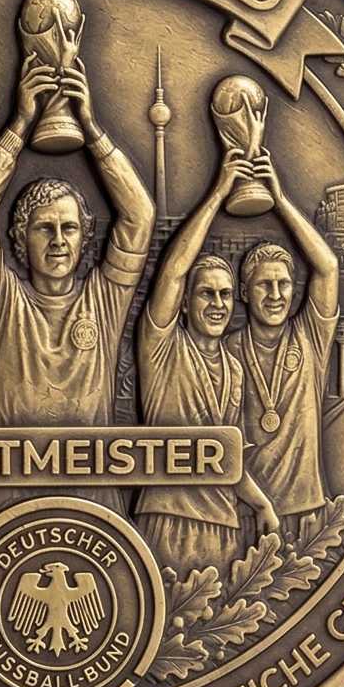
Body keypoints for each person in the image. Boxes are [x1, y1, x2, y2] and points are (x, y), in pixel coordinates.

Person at [0, 43, 154, 516]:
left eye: (69, 228)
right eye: (44, 228)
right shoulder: (1, 300)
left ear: (86, 239)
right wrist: (21, 123)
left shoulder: (104, 300)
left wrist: (91, 128)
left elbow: (139, 216)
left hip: (95, 494)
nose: (59, 240)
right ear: (20, 239)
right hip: (11, 494)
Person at [134, 144, 279, 576]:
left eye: (225, 295)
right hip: (167, 517)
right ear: (183, 303)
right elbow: (173, 272)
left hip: (224, 524)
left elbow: (226, 458)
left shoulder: (234, 369)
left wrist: (261, 503)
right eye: (206, 294)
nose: (218, 304)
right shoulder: (162, 347)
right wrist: (217, 194)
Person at [236, 150, 340, 541]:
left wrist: (279, 201)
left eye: (283, 285)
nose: (276, 295)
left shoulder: (309, 337)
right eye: (264, 285)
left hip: (308, 511)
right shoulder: (226, 350)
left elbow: (327, 268)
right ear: (244, 292)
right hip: (248, 512)